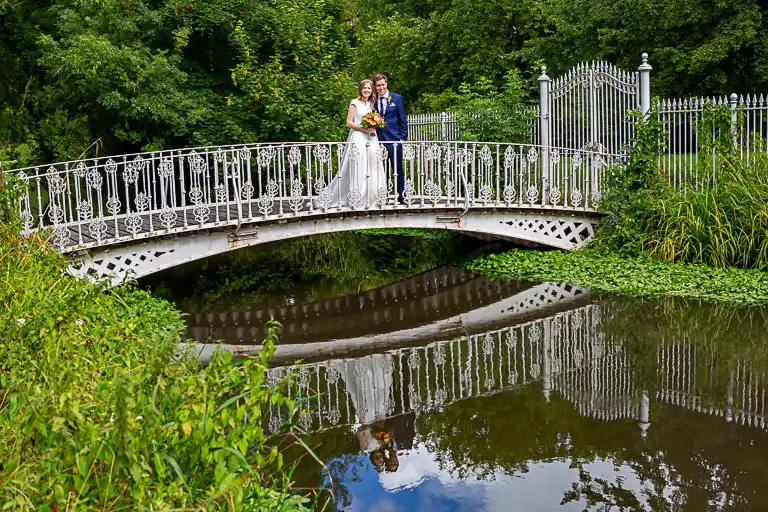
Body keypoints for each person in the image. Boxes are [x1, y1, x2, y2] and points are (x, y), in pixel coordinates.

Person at [323, 79, 386, 208]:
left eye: (369, 88)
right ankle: (357, 197)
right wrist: (365, 129)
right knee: (359, 164)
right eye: (364, 88)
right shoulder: (354, 102)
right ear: (360, 89)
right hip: (358, 136)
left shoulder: (371, 104)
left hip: (371, 138)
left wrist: (375, 125)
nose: (367, 90)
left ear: (372, 90)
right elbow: (349, 123)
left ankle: (372, 197)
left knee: (372, 164)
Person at [373, 74, 408, 204]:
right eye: (378, 85)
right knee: (382, 170)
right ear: (375, 86)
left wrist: (402, 138)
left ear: (386, 84)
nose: (381, 87)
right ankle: (384, 197)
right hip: (378, 140)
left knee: (397, 169)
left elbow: (403, 120)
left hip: (394, 140)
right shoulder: (373, 100)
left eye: (383, 84)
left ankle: (401, 197)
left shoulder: (397, 98)